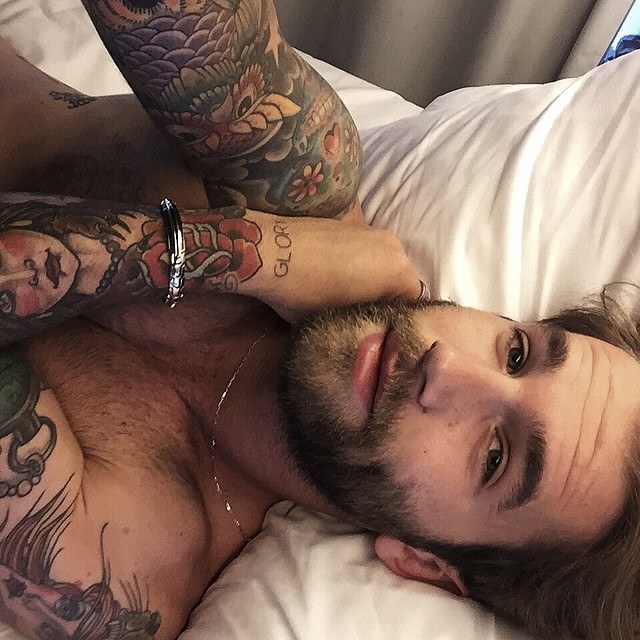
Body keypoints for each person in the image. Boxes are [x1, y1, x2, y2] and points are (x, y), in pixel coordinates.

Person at [0, 4, 637, 640]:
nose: (448, 366)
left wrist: (264, 258)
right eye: (517, 353)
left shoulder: (119, 562)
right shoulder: (299, 173)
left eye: (495, 456)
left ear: (426, 564)